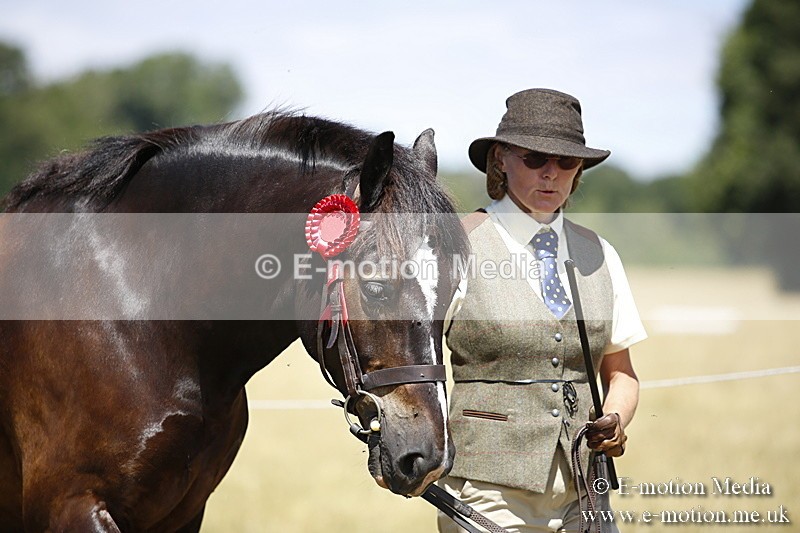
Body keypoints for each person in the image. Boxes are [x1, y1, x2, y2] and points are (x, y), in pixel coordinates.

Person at [438, 88, 646, 533]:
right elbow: (408, 354)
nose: (551, 174)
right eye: (535, 158)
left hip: (585, 491)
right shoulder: (454, 245)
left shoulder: (600, 253)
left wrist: (616, 417)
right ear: (501, 160)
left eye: (567, 162)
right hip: (484, 490)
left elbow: (621, 372)